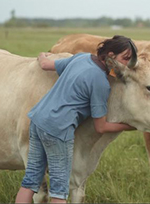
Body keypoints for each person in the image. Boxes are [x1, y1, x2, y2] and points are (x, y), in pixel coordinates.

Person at [15, 35, 136, 203]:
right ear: (111, 55)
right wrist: (128, 125)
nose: (127, 65)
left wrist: (42, 55)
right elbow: (101, 127)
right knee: (59, 189)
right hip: (58, 130)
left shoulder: (81, 57)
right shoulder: (101, 82)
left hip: (37, 120)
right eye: (125, 58)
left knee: (30, 180)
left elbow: (45, 64)